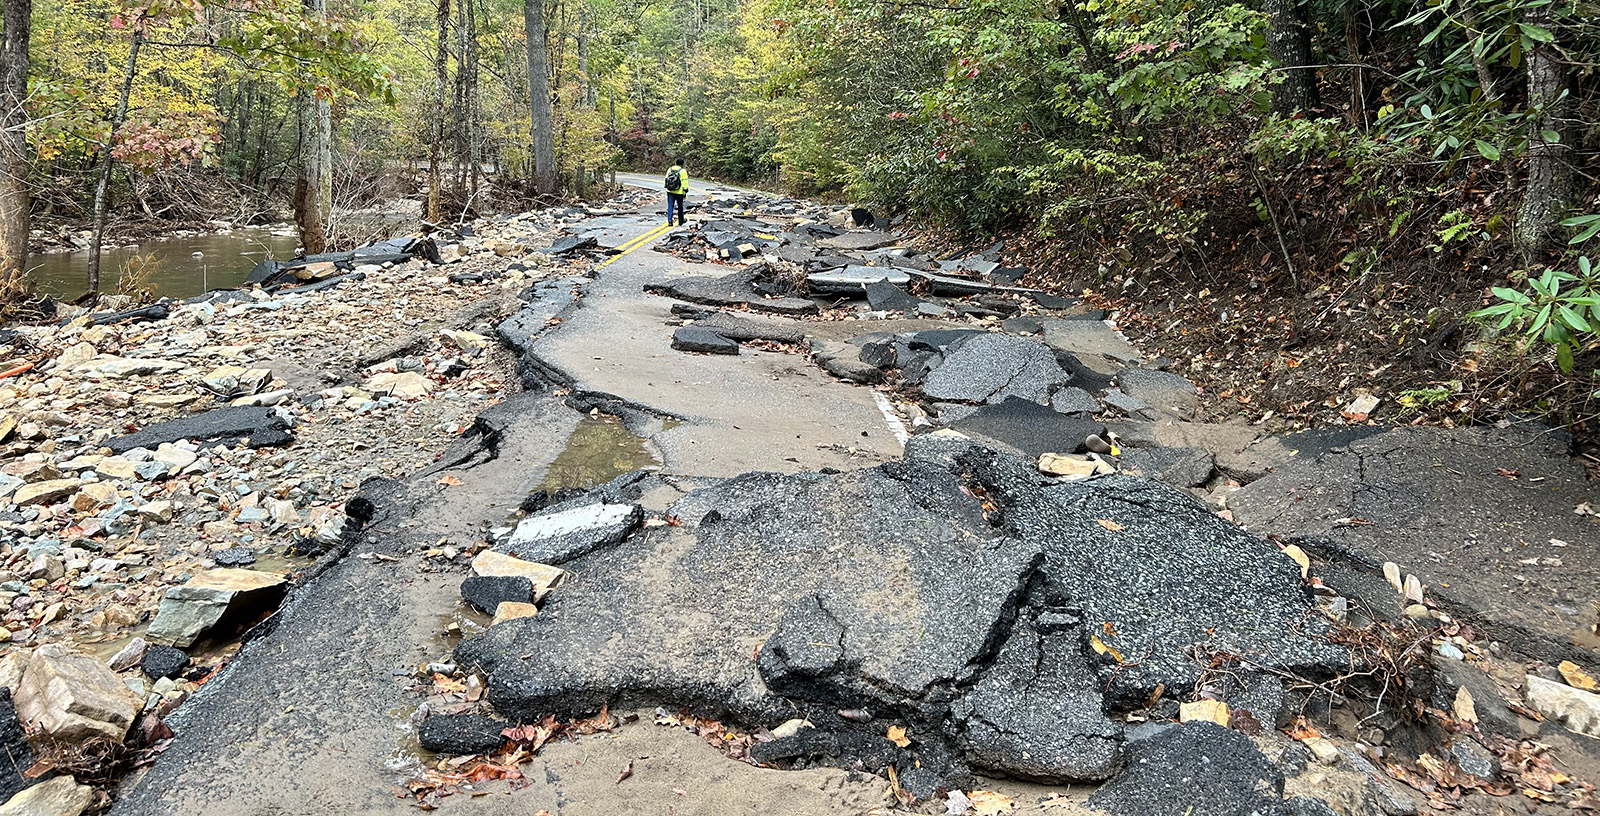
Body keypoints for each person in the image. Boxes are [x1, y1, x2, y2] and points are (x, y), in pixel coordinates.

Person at [663, 159, 689, 226]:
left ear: (675, 163)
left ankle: (670, 221)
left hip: (670, 190)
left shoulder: (670, 169)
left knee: (670, 206)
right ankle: (680, 221)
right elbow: (684, 181)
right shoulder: (683, 171)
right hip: (679, 192)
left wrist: (666, 186)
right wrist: (685, 189)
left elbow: (666, 178)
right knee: (680, 206)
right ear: (682, 164)